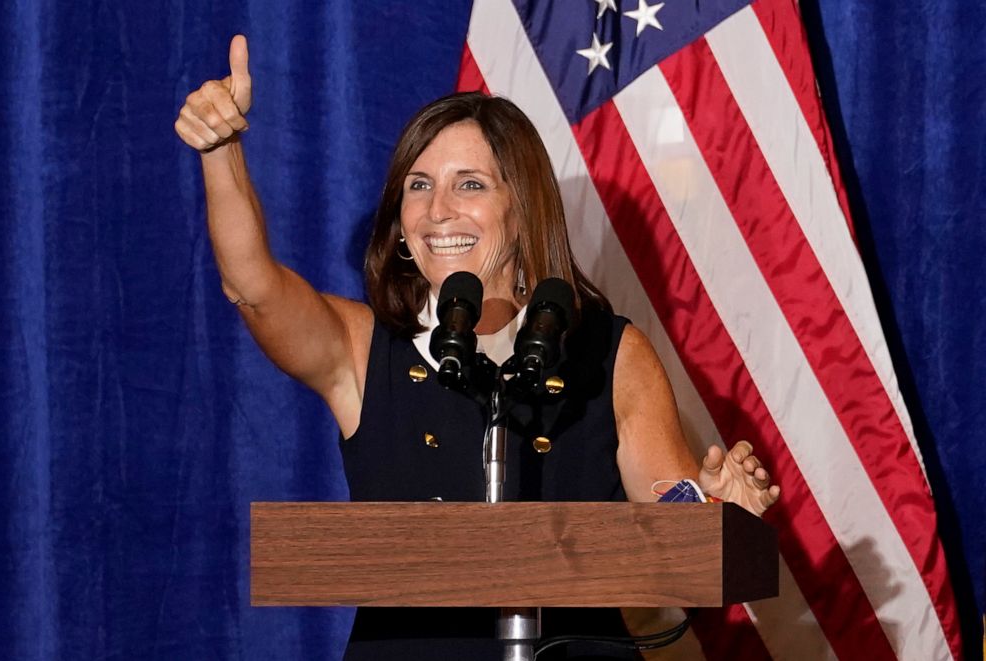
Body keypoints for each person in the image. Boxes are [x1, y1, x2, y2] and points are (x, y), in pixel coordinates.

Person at [176, 35, 780, 660]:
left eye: (469, 185)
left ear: (522, 209)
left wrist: (718, 511)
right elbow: (252, 287)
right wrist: (221, 151)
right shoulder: (362, 348)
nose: (437, 211)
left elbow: (676, 528)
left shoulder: (611, 353)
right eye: (417, 185)